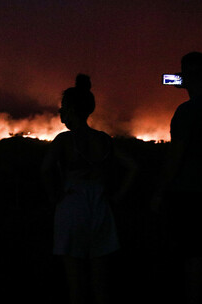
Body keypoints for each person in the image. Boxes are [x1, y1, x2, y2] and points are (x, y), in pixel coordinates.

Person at [41, 74, 138, 304]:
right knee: (100, 280)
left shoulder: (64, 140)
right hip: (100, 205)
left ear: (72, 110)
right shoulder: (103, 140)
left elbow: (44, 170)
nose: (61, 112)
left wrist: (54, 196)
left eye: (63, 107)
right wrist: (117, 196)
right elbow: (133, 166)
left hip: (72, 205)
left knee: (75, 282)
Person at [152, 52, 202, 304]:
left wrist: (159, 191)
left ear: (183, 77)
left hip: (190, 192)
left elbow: (176, 155)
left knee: (193, 256)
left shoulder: (184, 112)